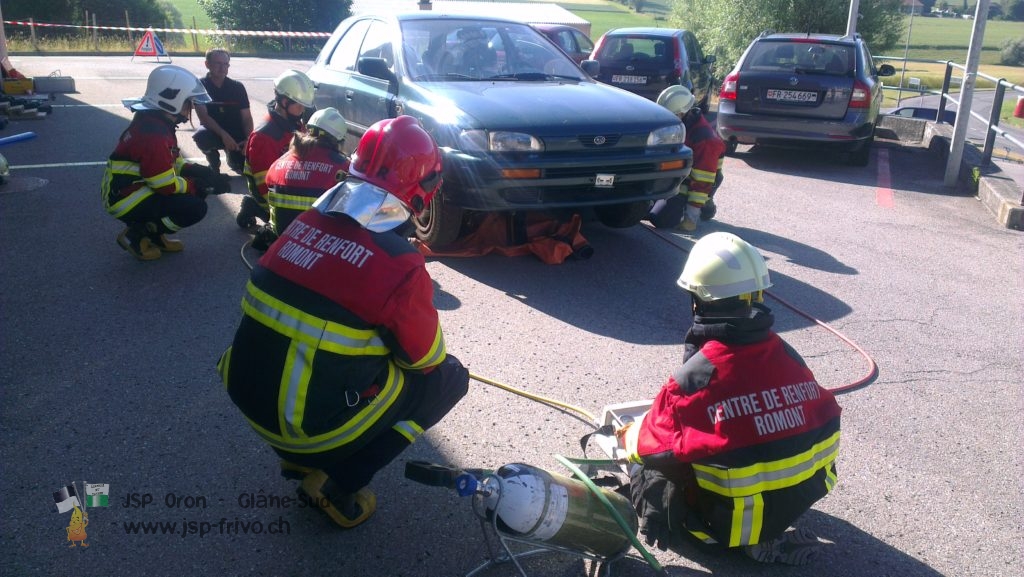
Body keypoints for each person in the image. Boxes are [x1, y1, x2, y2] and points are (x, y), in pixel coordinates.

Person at [218, 115, 469, 529]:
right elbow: (426, 362)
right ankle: (337, 482)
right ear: (421, 195)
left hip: (246, 398)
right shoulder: (399, 265)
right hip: (305, 428)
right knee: (449, 379)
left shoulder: (303, 225)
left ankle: (299, 457)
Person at [621, 232, 842, 565]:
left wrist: (627, 435)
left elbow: (651, 446)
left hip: (732, 522)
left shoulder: (694, 379)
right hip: (803, 494)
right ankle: (769, 528)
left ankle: (737, 542)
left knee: (648, 471)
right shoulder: (786, 354)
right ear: (757, 296)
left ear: (697, 300)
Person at [101, 65, 230, 261]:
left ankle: (153, 234)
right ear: (174, 100)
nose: (191, 109)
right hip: (127, 199)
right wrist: (199, 185)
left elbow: (171, 162)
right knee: (195, 207)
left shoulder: (156, 123)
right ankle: (137, 235)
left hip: (128, 192)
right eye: (189, 103)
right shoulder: (154, 134)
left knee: (191, 194)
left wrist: (202, 172)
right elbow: (164, 184)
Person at [237, 69, 314, 234]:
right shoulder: (263, 137)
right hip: (271, 195)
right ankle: (255, 207)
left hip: (291, 183)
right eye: (299, 105)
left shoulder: (294, 123)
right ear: (284, 101)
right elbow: (266, 186)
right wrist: (286, 213)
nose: (302, 110)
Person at [262, 107, 351, 247]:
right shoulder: (342, 166)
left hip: (280, 237)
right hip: (317, 243)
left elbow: (267, 183)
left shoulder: (281, 161)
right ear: (337, 139)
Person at [647, 86, 726, 232]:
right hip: (677, 175)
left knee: (659, 218)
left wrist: (691, 218)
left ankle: (703, 204)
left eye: (671, 115)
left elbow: (703, 179)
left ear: (683, 112)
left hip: (695, 182)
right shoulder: (683, 124)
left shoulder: (704, 139)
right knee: (645, 210)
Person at [192, 48, 253, 175]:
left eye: (225, 64)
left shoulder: (237, 87)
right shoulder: (200, 86)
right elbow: (203, 117)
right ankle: (214, 163)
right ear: (207, 64)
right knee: (201, 137)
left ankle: (233, 157)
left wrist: (248, 139)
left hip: (236, 134)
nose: (222, 68)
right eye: (218, 63)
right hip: (213, 131)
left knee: (246, 171)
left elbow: (247, 118)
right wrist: (223, 135)